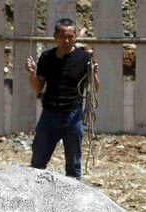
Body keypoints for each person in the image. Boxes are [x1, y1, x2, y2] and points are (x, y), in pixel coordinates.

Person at [25, 19, 99, 179]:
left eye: (70, 37)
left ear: (75, 37)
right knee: (37, 163)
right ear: (55, 36)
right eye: (62, 36)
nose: (66, 40)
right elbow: (38, 88)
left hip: (73, 116)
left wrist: (93, 74)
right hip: (49, 115)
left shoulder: (84, 58)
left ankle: (73, 200)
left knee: (73, 166)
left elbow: (95, 89)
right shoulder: (46, 57)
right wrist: (32, 73)